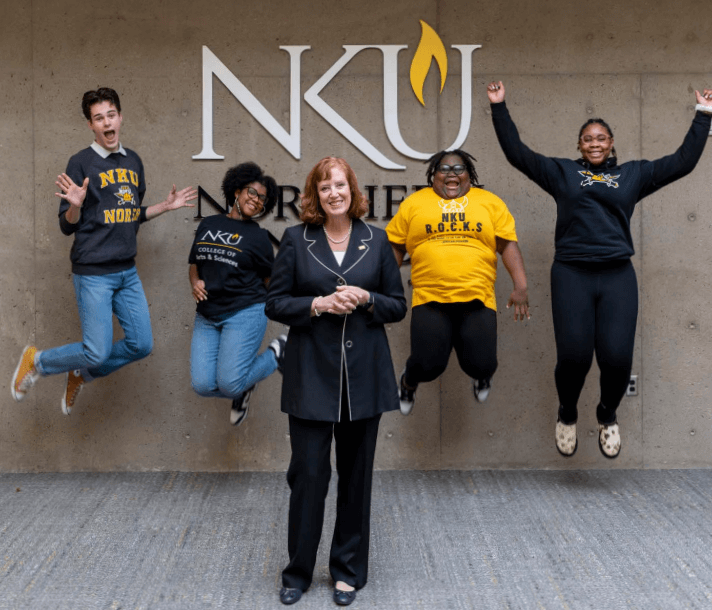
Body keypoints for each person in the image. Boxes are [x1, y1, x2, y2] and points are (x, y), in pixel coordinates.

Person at [487, 80, 712, 458]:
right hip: (571, 273)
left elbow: (682, 163)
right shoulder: (562, 173)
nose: (594, 143)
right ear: (579, 145)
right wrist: (499, 107)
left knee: (617, 358)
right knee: (574, 356)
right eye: (587, 138)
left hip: (616, 274)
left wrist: (703, 114)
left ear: (611, 143)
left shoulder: (633, 175)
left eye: (601, 138)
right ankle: (568, 412)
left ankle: (607, 414)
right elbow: (517, 154)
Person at [265, 157, 406, 606]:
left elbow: (396, 306)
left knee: (356, 476)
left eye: (340, 185)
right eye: (324, 186)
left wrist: (366, 298)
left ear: (352, 190)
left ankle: (348, 570)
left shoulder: (377, 241)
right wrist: (319, 305)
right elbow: (275, 303)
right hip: (310, 375)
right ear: (314, 195)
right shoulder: (294, 239)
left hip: (364, 377)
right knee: (308, 475)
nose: (333, 193)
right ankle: (298, 572)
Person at [11, 87, 197, 413]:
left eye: (111, 115)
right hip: (94, 273)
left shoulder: (133, 161)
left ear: (120, 117)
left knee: (141, 344)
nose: (107, 123)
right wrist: (75, 206)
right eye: (99, 118)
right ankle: (38, 361)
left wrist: (164, 207)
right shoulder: (80, 163)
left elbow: (130, 215)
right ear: (91, 125)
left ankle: (82, 372)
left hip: (127, 272)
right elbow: (67, 225)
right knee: (96, 349)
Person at [386, 149, 530, 416]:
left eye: (458, 169)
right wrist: (382, 286)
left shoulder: (490, 203)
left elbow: (507, 244)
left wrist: (520, 286)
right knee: (428, 366)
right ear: (433, 175)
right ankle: (408, 382)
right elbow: (394, 247)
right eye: (444, 169)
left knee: (483, 364)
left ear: (469, 175)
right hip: (430, 298)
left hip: (477, 298)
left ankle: (482, 377)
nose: (451, 174)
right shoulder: (414, 203)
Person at [189, 162, 286, 426]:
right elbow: (194, 265)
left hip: (245, 311)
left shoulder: (259, 237)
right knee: (201, 384)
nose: (256, 201)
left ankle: (277, 353)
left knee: (230, 384)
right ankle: (245, 386)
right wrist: (195, 283)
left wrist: (283, 309)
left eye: (262, 200)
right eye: (252, 193)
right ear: (237, 192)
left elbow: (269, 280)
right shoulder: (208, 224)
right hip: (207, 315)